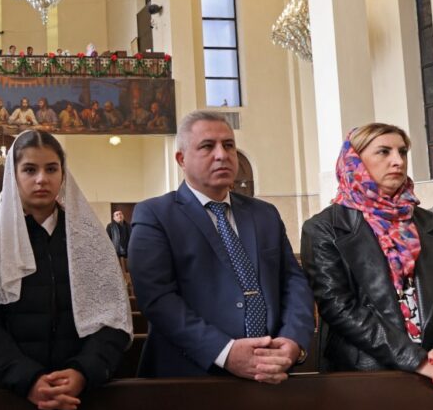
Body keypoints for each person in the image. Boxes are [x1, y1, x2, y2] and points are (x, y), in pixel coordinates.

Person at [128, 111, 314, 382]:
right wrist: (225, 352)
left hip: (271, 372)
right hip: (191, 377)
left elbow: (293, 281)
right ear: (181, 159)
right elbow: (157, 299)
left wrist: (293, 340)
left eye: (229, 145)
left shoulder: (264, 214)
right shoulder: (155, 214)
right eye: (207, 146)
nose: (222, 154)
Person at [301, 123, 433, 394]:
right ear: (355, 161)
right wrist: (416, 359)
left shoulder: (429, 223)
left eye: (402, 152)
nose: (398, 161)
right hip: (363, 374)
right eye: (383, 152)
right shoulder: (326, 227)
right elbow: (339, 308)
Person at [0, 130, 132, 410]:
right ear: (13, 175)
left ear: (63, 174)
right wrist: (27, 379)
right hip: (8, 394)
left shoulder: (89, 237)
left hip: (82, 395)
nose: (41, 179)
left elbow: (112, 319)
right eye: (29, 169)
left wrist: (83, 372)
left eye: (51, 168)